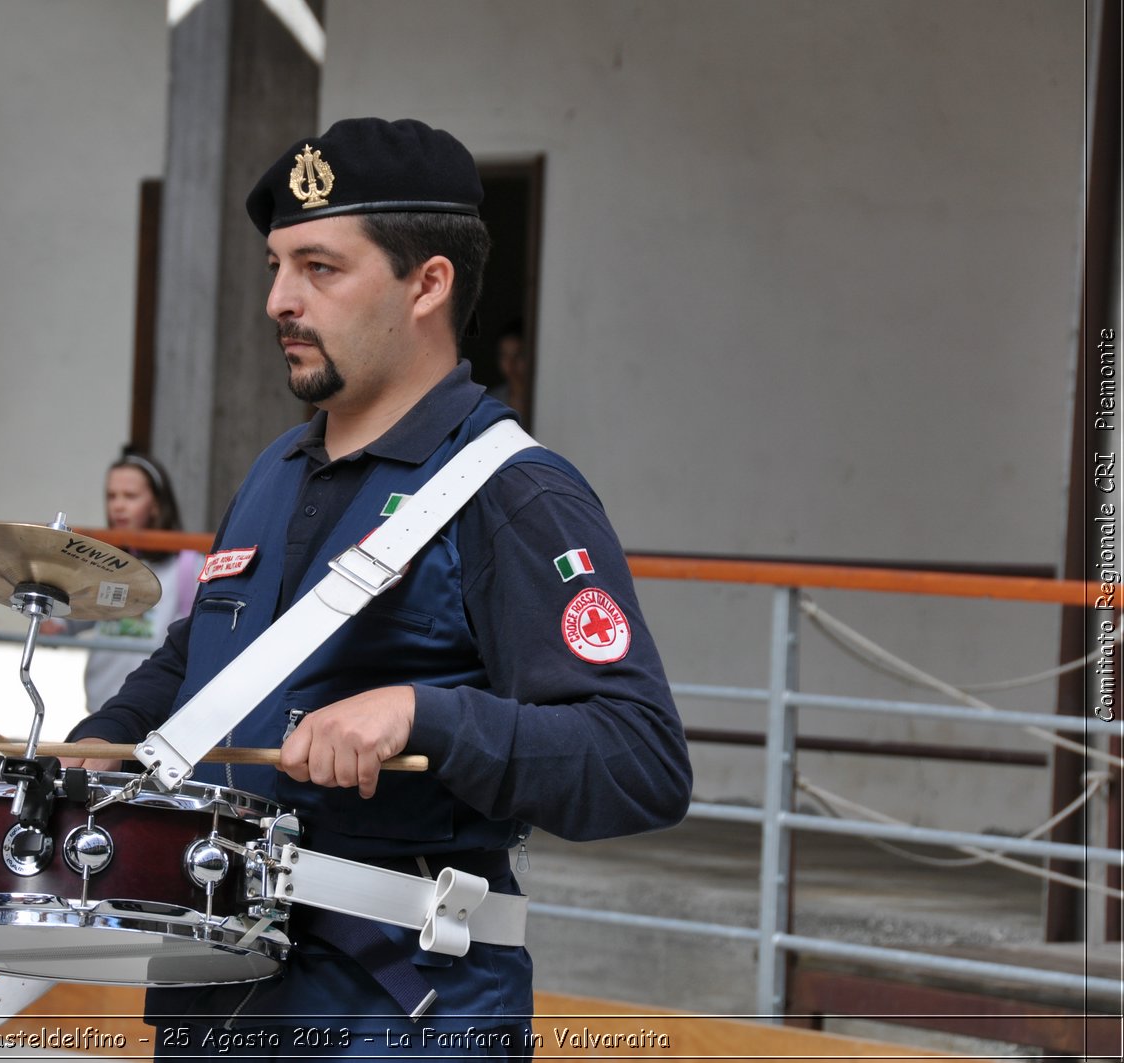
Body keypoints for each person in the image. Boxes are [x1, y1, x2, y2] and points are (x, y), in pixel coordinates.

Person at [65, 118, 690, 1058]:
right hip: (216, 993)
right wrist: (98, 747)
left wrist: (422, 714)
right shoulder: (276, 468)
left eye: (320, 267)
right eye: (275, 267)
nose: (279, 298)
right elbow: (204, 653)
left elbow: (639, 761)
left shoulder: (517, 492)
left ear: (427, 284)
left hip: (400, 1014)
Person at [80, 448, 203, 712]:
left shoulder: (187, 566)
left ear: (157, 503)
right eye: (111, 496)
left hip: (154, 712)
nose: (118, 505)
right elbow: (69, 616)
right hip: (100, 707)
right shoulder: (100, 561)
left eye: (130, 496)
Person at [485, 317, 531, 420]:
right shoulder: (492, 402)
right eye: (504, 355)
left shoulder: (544, 400)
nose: (510, 364)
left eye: (518, 355)